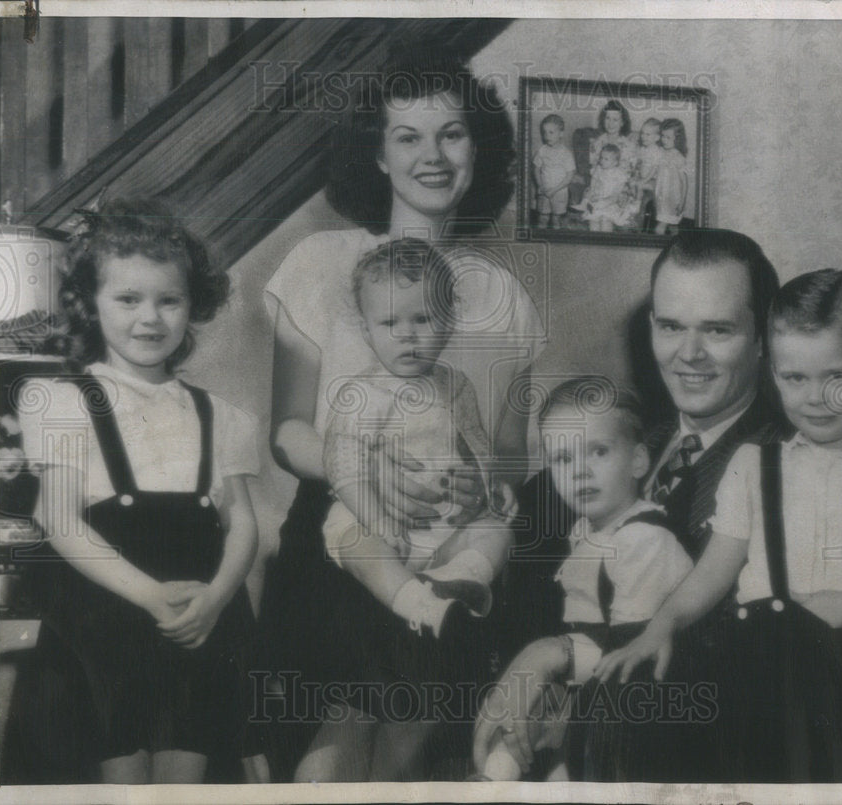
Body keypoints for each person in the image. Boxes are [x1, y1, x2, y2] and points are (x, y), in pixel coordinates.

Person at [261, 52, 544, 782]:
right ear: (378, 155)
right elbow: (289, 429)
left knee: (410, 743)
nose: (433, 155)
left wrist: (481, 490)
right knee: (328, 757)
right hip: (342, 531)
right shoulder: (322, 262)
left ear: (477, 150)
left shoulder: (504, 296)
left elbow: (511, 449)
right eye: (408, 136)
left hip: (451, 539)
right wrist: (364, 468)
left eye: (451, 134)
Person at [597, 268, 842, 781]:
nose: (816, 397)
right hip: (763, 679)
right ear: (773, 375)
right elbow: (711, 573)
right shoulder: (753, 465)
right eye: (795, 378)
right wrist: (663, 624)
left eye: (838, 377)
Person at [507, 229, 784, 781]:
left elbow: (726, 657)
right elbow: (535, 552)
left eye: (718, 329)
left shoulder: (782, 466)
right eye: (671, 326)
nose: (689, 355)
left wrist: (553, 655)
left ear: (762, 339)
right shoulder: (629, 439)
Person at [15, 198, 259, 784]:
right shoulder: (59, 400)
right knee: (120, 782)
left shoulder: (220, 414)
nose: (150, 318)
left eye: (168, 300)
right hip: (105, 624)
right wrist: (151, 597)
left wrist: (218, 599)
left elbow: (244, 524)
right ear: (90, 306)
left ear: (191, 305)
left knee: (187, 780)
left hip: (200, 619)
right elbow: (60, 518)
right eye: (128, 299)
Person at [471, 377, 692, 782]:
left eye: (599, 451)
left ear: (639, 460)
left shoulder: (643, 539)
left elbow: (631, 649)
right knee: (516, 732)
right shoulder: (587, 532)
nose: (580, 472)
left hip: (639, 710)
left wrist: (553, 672)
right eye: (562, 460)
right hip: (589, 691)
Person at [323, 238, 513, 634]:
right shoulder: (362, 394)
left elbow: (477, 442)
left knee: (497, 530)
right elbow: (343, 468)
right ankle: (421, 607)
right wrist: (379, 522)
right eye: (390, 323)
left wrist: (490, 484)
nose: (407, 334)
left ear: (449, 322)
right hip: (377, 517)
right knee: (359, 543)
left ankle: (459, 580)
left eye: (423, 320)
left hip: (445, 523)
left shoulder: (456, 386)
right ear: (367, 331)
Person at [571, 144, 629, 232]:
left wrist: (607, 200)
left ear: (615, 162)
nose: (602, 160)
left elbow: (617, 192)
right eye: (601, 157)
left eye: (606, 159)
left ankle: (606, 242)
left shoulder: (619, 174)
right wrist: (591, 193)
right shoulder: (598, 169)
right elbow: (593, 184)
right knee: (593, 223)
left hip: (610, 202)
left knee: (605, 222)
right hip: (596, 199)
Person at [532, 114, 576, 229]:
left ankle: (556, 241)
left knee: (557, 220)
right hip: (544, 190)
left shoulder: (566, 153)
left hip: (559, 192)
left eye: (551, 132)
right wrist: (540, 185)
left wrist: (555, 190)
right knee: (543, 217)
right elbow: (536, 168)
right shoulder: (542, 150)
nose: (547, 136)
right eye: (544, 132)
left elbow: (570, 175)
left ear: (561, 133)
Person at [653, 118, 690, 235]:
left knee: (662, 226)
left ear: (677, 139)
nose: (664, 140)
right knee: (672, 224)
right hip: (661, 197)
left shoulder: (678, 158)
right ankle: (675, 243)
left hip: (672, 198)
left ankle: (658, 245)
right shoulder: (660, 153)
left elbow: (684, 182)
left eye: (668, 137)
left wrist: (682, 201)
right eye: (662, 136)